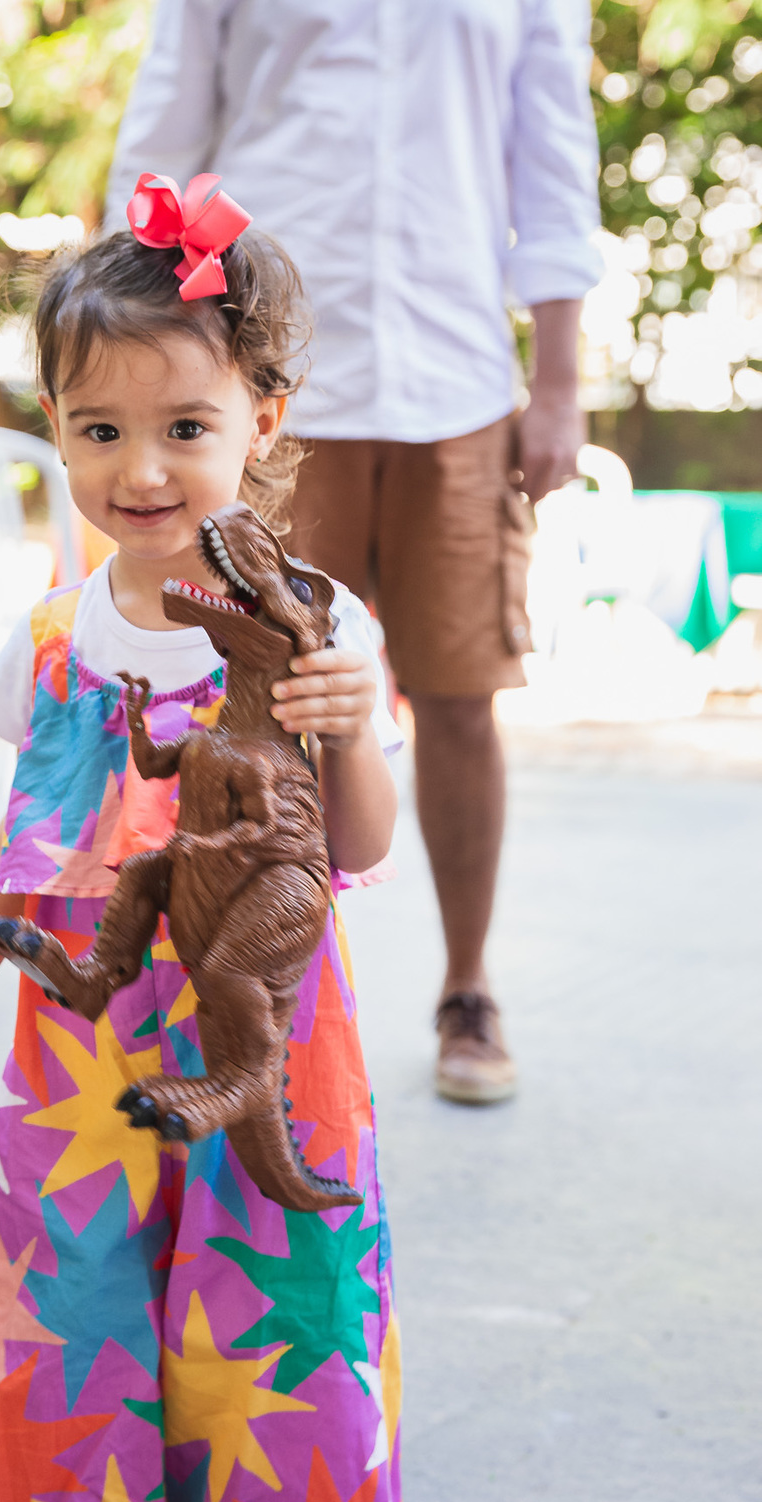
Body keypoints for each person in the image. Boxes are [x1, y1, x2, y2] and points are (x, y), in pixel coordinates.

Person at [0, 175, 413, 1502]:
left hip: (270, 1027)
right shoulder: (54, 636)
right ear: (57, 425)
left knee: (283, 1285)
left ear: (264, 416)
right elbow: (25, 829)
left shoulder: (311, 620)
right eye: (99, 427)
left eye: (185, 426)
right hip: (81, 1046)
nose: (140, 467)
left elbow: (367, 842)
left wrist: (343, 726)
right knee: (65, 1299)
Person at [106, 0, 602, 1103]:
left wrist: (560, 380)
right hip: (270, 384)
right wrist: (146, 367)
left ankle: (466, 988)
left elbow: (553, 157)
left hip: (456, 380)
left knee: (462, 695)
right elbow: (166, 137)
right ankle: (260, 1006)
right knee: (255, 706)